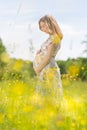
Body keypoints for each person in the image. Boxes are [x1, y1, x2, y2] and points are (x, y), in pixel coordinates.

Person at [33, 15, 63, 93]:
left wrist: (37, 69)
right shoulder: (51, 37)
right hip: (45, 68)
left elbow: (48, 58)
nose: (43, 29)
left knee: (48, 93)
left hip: (48, 68)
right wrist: (39, 52)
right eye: (41, 27)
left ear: (51, 23)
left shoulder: (54, 38)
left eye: (44, 25)